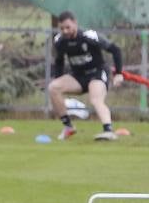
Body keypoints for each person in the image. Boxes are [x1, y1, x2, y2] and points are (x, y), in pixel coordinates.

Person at [49, 11, 124, 141]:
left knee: (95, 99)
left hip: (97, 73)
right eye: (62, 28)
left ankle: (108, 131)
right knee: (53, 87)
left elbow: (115, 50)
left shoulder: (89, 36)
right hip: (78, 77)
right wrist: (59, 78)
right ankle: (68, 127)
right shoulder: (59, 40)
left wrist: (118, 74)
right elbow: (59, 62)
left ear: (75, 23)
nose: (65, 31)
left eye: (68, 27)